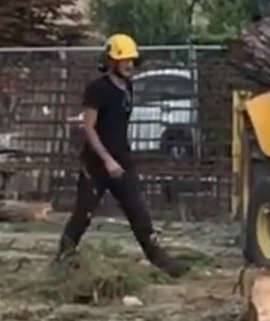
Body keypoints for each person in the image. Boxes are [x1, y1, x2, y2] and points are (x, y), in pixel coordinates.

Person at [55, 33, 188, 276]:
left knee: (139, 214)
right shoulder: (97, 89)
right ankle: (62, 259)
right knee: (82, 215)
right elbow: (89, 127)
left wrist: (119, 160)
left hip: (122, 161)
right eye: (123, 59)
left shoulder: (128, 87)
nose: (129, 65)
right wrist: (106, 160)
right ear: (111, 61)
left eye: (131, 60)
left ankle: (163, 263)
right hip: (96, 165)